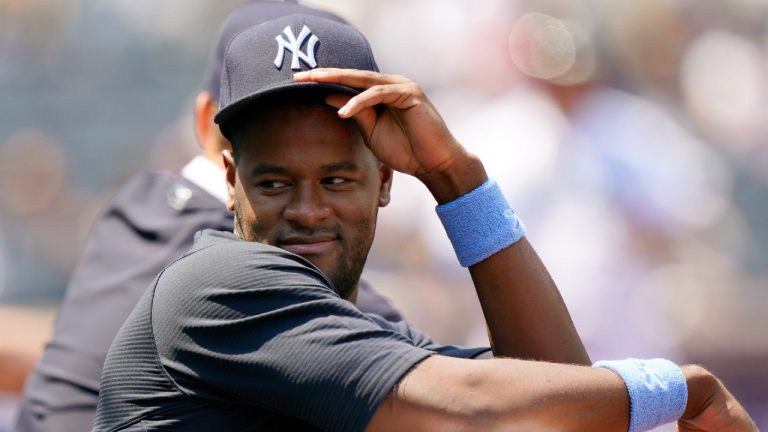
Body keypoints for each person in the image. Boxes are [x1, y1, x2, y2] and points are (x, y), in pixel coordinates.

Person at [93, 13, 757, 432]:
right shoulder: (219, 285)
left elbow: (557, 416)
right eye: (273, 182)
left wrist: (455, 180)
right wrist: (680, 388)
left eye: (336, 179)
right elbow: (479, 407)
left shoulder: (369, 326)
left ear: (385, 182)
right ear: (230, 179)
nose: (307, 208)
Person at [13, 3, 403, 432]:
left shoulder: (140, 205)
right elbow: (475, 397)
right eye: (271, 144)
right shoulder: (235, 265)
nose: (307, 209)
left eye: (334, 170)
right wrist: (455, 180)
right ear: (229, 159)